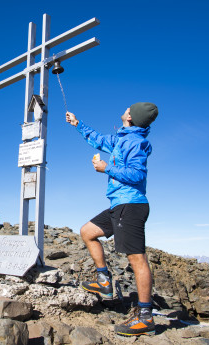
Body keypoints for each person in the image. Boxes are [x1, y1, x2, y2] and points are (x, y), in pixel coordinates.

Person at [65, 102, 158, 337]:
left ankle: (145, 317)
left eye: (129, 109)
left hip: (131, 205)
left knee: (137, 260)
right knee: (87, 231)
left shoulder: (136, 142)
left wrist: (106, 168)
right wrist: (77, 124)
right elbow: (98, 139)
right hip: (119, 205)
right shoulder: (122, 137)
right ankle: (104, 281)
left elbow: (138, 175)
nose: (125, 109)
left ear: (131, 117)